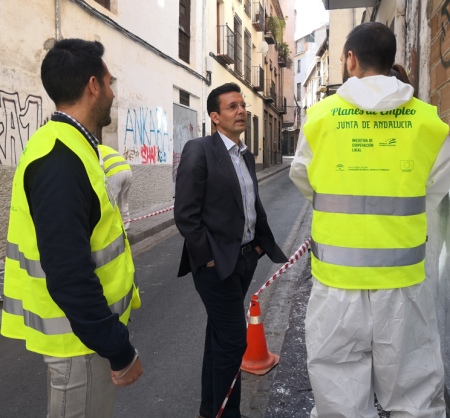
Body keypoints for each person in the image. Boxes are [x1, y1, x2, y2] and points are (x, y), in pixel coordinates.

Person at [289, 22, 450, 418]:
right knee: (413, 400)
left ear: (350, 59)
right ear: (391, 58)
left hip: (337, 288)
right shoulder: (429, 123)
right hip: (404, 288)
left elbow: (306, 182)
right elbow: (437, 190)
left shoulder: (320, 118)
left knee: (339, 401)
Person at [1, 39, 143, 418]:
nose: (114, 93)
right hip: (80, 344)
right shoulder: (60, 158)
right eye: (110, 82)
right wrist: (118, 348)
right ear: (93, 86)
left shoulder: (71, 146)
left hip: (81, 338)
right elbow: (68, 272)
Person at [174, 82, 287, 418]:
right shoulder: (200, 150)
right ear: (214, 117)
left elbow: (247, 203)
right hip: (214, 265)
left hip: (244, 260)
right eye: (232, 107)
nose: (241, 111)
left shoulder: (245, 154)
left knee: (219, 337)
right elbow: (186, 215)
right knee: (235, 341)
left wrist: (256, 247)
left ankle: (210, 410)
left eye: (242, 105)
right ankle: (226, 413)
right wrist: (207, 256)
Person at [98, 144, 132, 230]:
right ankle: (126, 224)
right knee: (123, 200)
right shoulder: (105, 148)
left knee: (111, 201)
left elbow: (99, 167)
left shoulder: (94, 150)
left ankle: (110, 226)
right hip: (127, 170)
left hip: (115, 174)